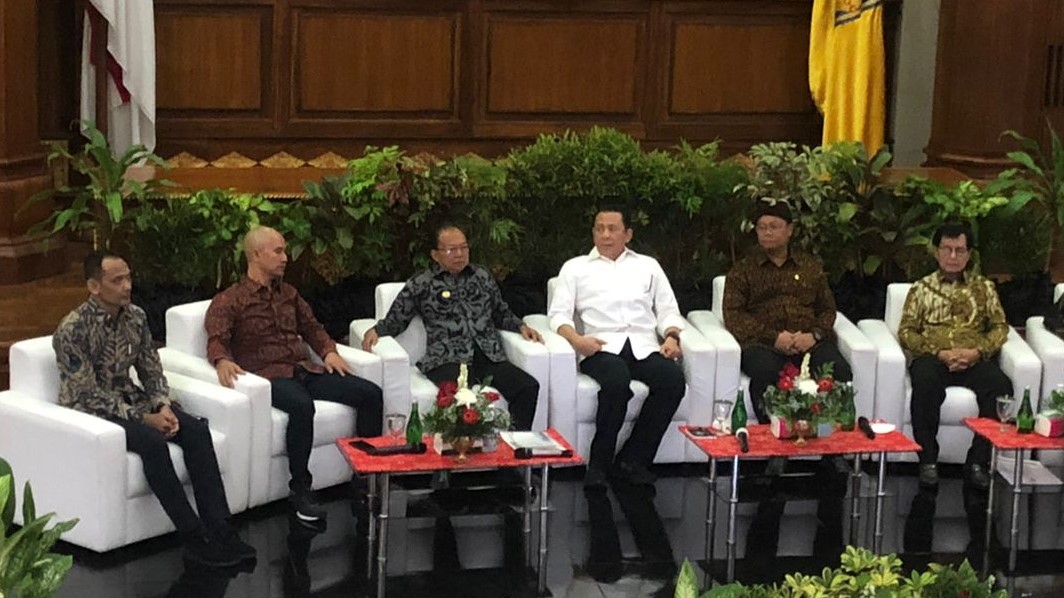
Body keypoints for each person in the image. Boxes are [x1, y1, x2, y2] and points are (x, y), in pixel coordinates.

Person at [54, 251, 255, 567]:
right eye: (117, 280)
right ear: (94, 286)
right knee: (152, 442)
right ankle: (194, 537)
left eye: (128, 277)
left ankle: (221, 530)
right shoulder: (72, 329)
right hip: (91, 410)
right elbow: (88, 393)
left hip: (130, 398)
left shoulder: (136, 316)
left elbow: (151, 369)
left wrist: (162, 404)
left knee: (196, 431)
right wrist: (145, 419)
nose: (127, 286)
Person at [205, 226, 384, 524]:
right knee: (301, 406)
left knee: (370, 394)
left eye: (284, 251)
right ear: (256, 255)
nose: (285, 258)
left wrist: (328, 352)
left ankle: (365, 479)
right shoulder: (230, 300)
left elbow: (312, 328)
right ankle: (300, 490)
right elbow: (216, 339)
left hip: (304, 369)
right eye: (278, 251)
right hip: (268, 377)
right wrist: (221, 360)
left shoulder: (289, 294)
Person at [548, 207, 686, 488]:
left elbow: (668, 310)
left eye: (612, 229)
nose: (605, 235)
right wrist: (577, 340)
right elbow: (558, 315)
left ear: (628, 234)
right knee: (616, 381)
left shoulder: (648, 266)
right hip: (600, 347)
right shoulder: (575, 268)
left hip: (644, 346)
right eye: (599, 228)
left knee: (672, 380)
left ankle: (632, 460)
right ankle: (598, 465)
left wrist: (672, 337)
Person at [361, 224, 542, 430]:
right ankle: (460, 449)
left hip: (487, 354)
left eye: (464, 248)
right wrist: (378, 330)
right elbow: (398, 317)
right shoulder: (422, 283)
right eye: (451, 250)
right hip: (447, 358)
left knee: (527, 387)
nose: (459, 254)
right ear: (435, 255)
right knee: (462, 401)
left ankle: (514, 444)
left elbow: (500, 312)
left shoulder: (481, 276)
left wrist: (520, 326)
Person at [898, 222, 1011, 489]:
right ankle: (927, 460)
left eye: (959, 250)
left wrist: (978, 352)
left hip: (973, 358)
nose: (952, 256)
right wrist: (938, 352)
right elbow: (906, 331)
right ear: (936, 251)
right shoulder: (921, 289)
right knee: (925, 382)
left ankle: (978, 462)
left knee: (1000, 387)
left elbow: (1000, 327)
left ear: (969, 254)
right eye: (946, 249)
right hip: (935, 358)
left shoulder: (984, 288)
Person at [723, 201, 854, 425]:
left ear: (790, 230)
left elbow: (827, 309)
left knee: (838, 370)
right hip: (764, 344)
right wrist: (773, 337)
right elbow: (734, 315)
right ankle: (774, 438)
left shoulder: (809, 267)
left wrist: (814, 335)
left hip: (809, 341)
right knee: (766, 373)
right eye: (762, 227)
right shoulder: (743, 270)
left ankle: (830, 440)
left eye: (774, 226)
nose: (767, 232)